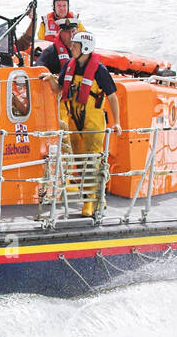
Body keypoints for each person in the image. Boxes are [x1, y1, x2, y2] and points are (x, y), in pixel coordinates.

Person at [38, 20, 120, 216]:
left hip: (93, 122)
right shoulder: (68, 67)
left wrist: (117, 122)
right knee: (80, 161)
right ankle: (94, 197)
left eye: (75, 46)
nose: (71, 48)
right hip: (74, 121)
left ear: (85, 48)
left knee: (92, 161)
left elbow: (112, 96)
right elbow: (60, 89)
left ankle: (91, 202)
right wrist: (50, 79)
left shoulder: (99, 70)